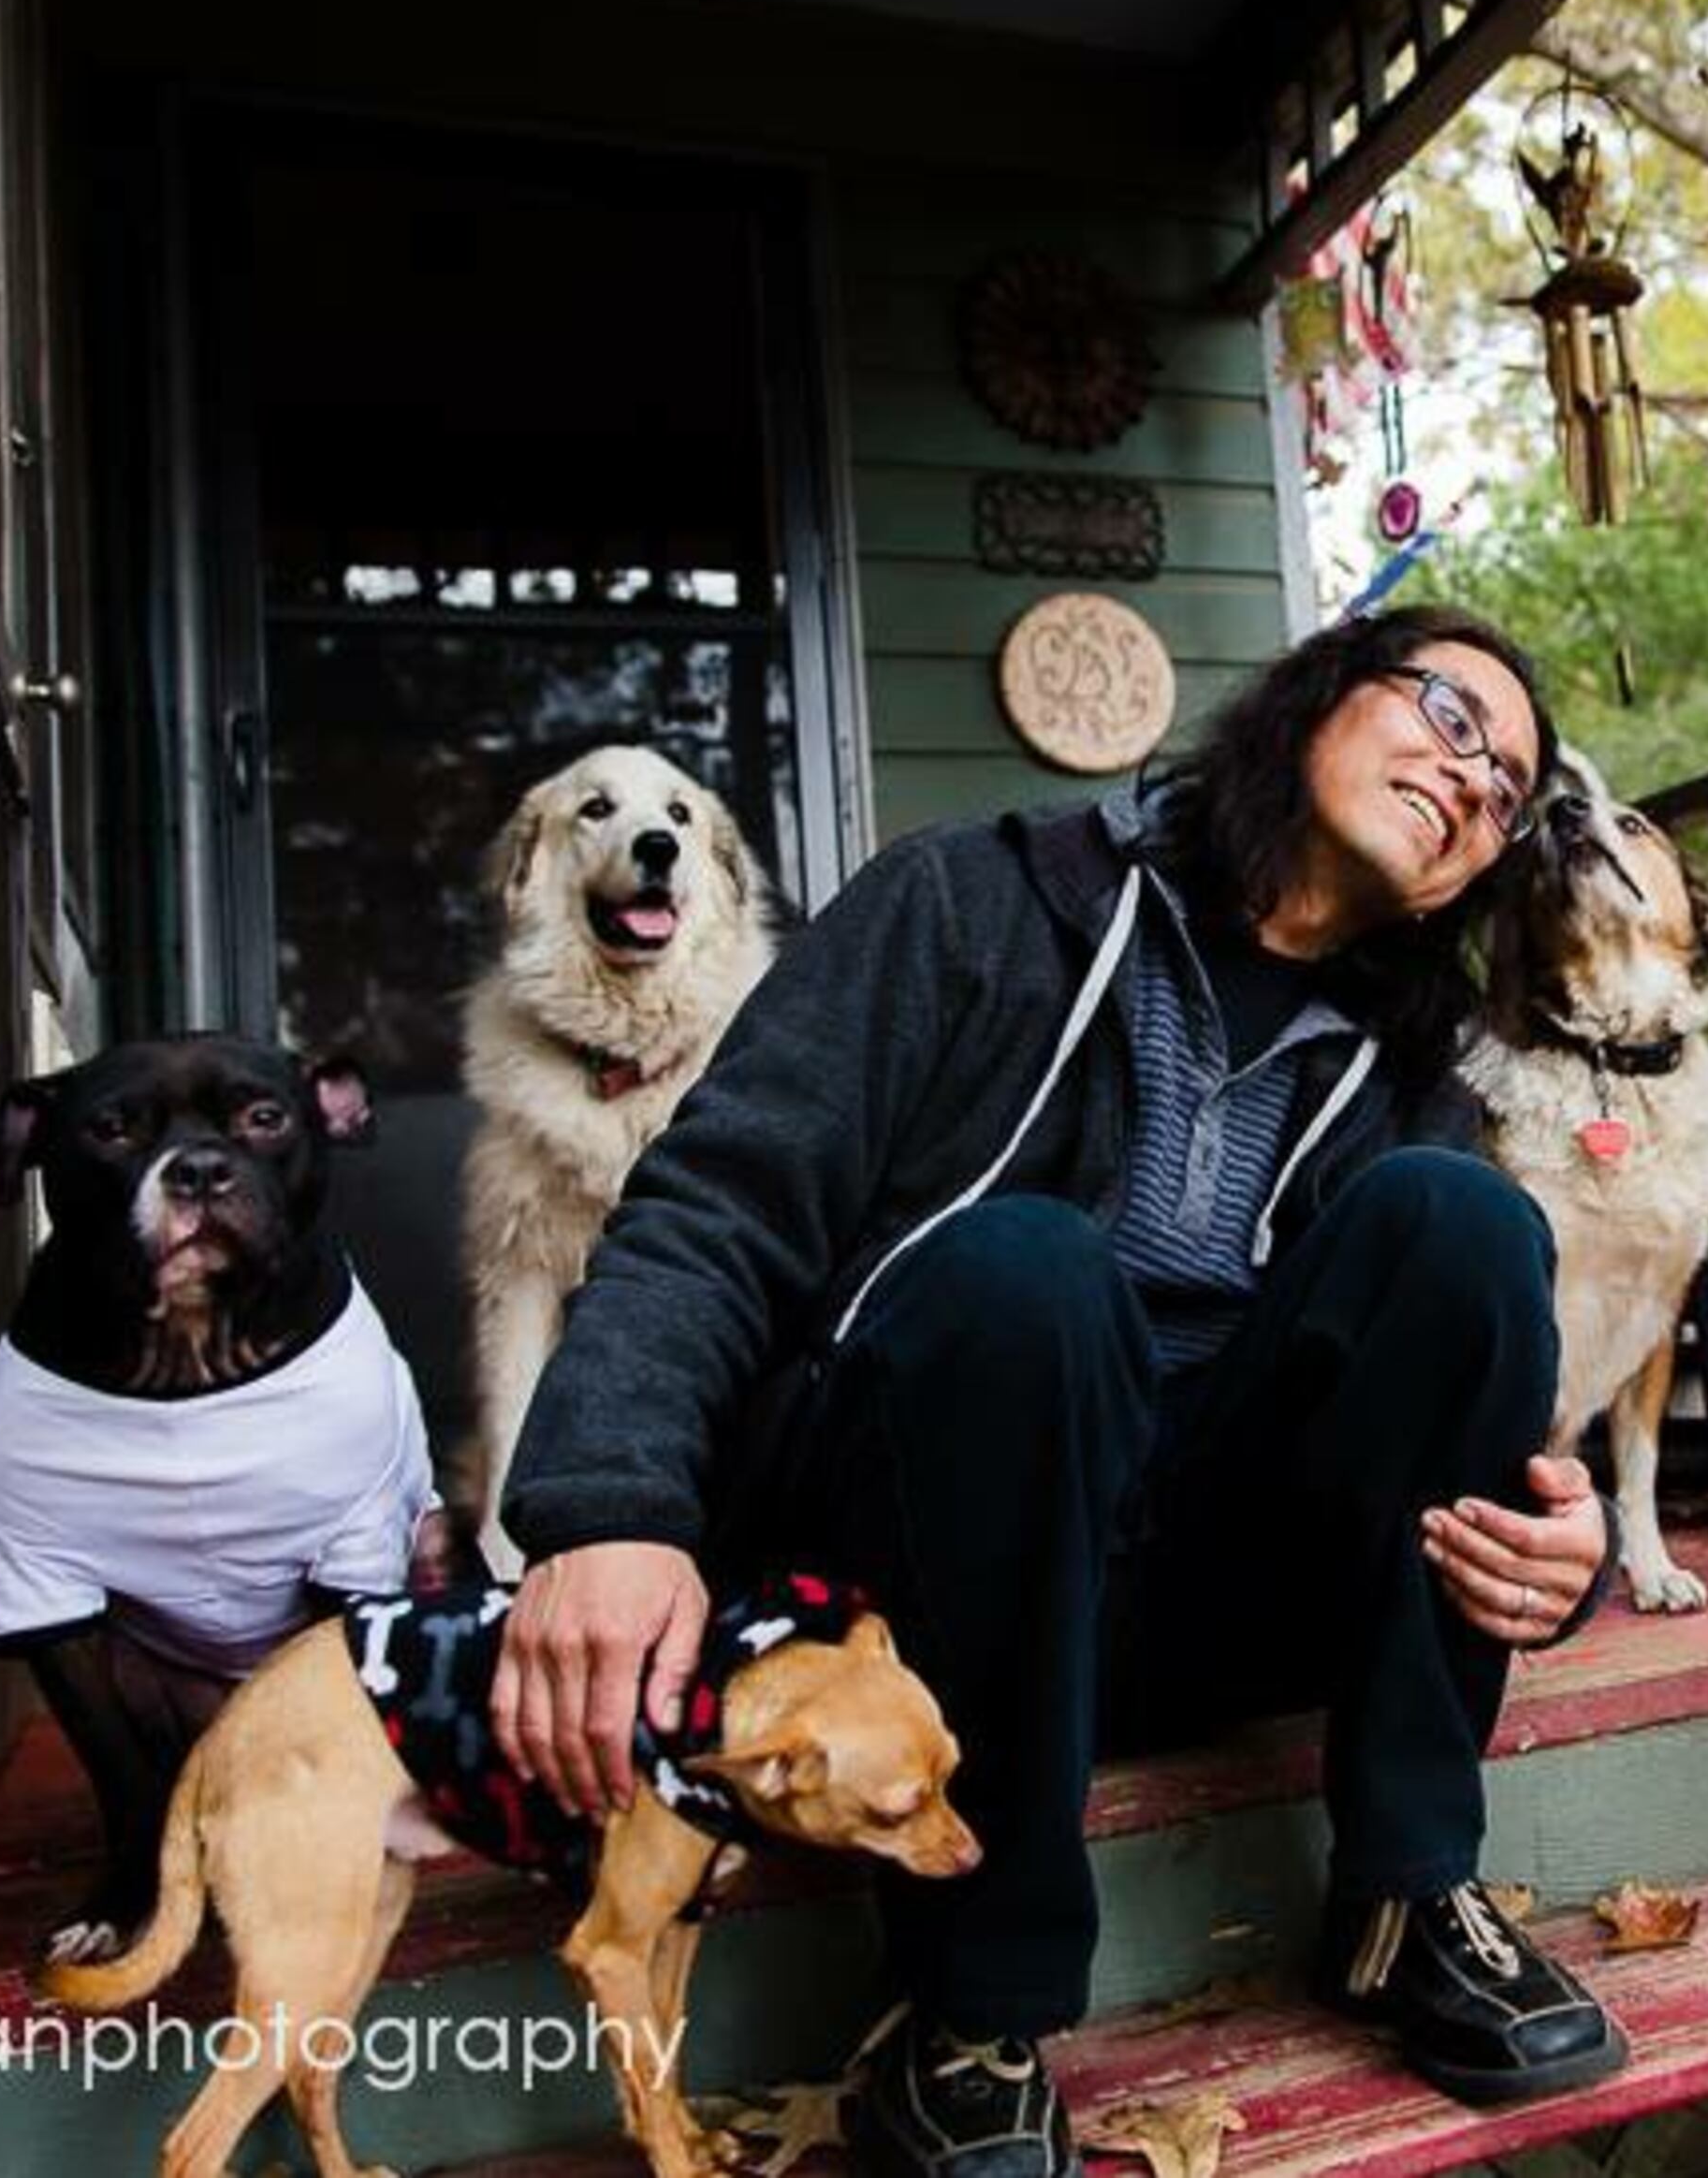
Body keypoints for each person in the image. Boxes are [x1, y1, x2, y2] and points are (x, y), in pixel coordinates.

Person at [490, 606, 1628, 2178]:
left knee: (1466, 1219)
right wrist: (610, 1507)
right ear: (1312, 697)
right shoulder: (975, 897)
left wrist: (1560, 1562)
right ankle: (963, 2003)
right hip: (926, 1578)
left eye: (1503, 787)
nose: (1468, 775)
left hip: (1190, 1591)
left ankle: (1409, 1887)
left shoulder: (1397, 1065)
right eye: (1445, 710)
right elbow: (720, 1204)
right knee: (1030, 1268)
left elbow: (1467, 1418)